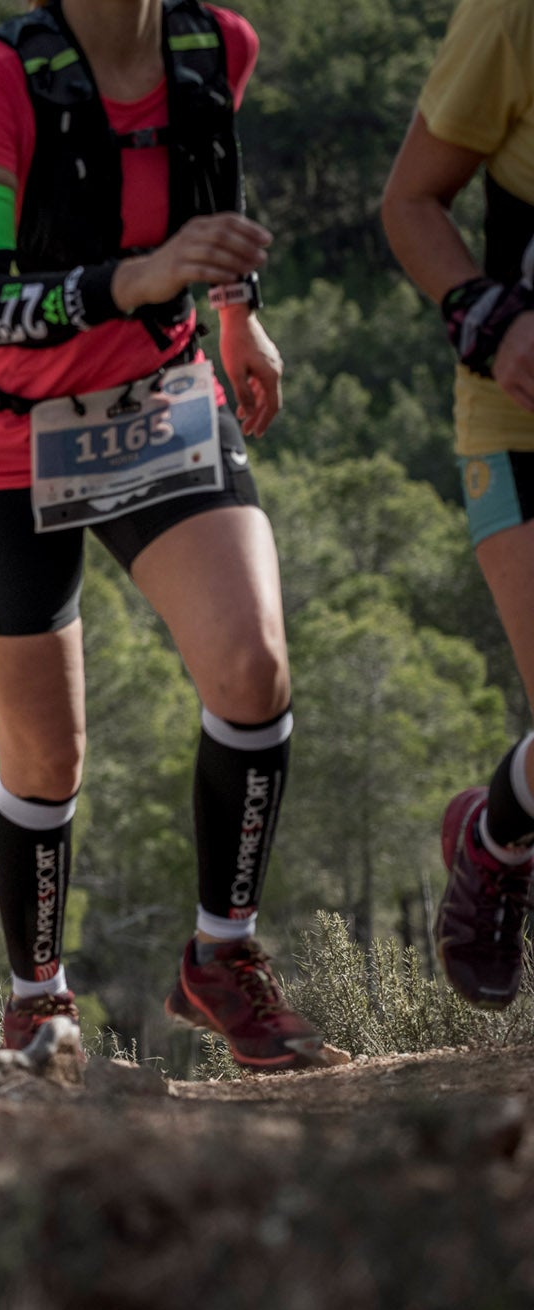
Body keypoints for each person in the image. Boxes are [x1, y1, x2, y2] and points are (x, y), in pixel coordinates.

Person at [0, 0, 344, 1068]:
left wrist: (236, 313)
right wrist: (136, 280)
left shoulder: (216, 46)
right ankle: (35, 1000)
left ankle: (221, 956)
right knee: (47, 756)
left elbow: (209, 184)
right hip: (2, 443)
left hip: (156, 406)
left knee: (251, 672)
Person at [383, 0, 534, 1010]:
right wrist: (491, 319)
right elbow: (408, 203)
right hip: (518, 418)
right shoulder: (511, 18)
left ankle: (501, 819)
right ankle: (490, 848)